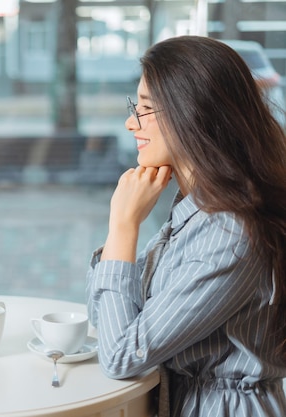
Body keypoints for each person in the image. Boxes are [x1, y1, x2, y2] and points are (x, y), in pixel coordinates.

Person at [86, 35, 286, 417]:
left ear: (191, 113)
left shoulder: (229, 233)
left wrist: (123, 225)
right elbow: (109, 322)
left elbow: (119, 356)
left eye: (144, 108)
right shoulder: (193, 211)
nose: (131, 123)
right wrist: (120, 234)